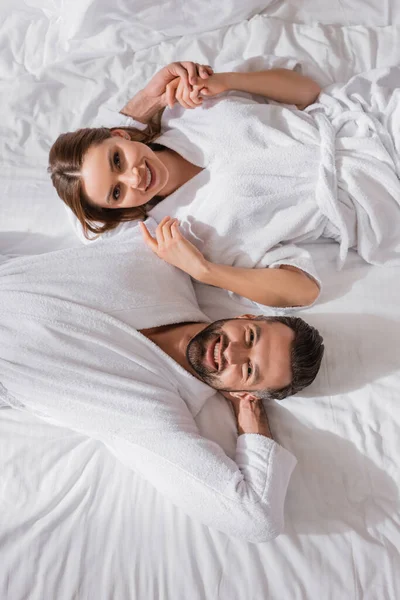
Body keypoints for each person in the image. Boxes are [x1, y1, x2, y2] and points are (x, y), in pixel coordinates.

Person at [0, 224, 324, 542]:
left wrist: (252, 424)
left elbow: (257, 519)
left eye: (250, 370)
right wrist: (206, 269)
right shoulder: (161, 265)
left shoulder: (153, 413)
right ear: (247, 317)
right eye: (250, 337)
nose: (233, 352)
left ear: (243, 392)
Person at [49, 59, 400, 310]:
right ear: (120, 210)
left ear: (120, 134)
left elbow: (308, 92)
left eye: (117, 159)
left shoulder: (187, 109)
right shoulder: (194, 235)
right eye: (116, 192)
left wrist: (227, 81)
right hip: (379, 200)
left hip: (373, 116)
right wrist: (205, 271)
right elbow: (303, 290)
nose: (134, 177)